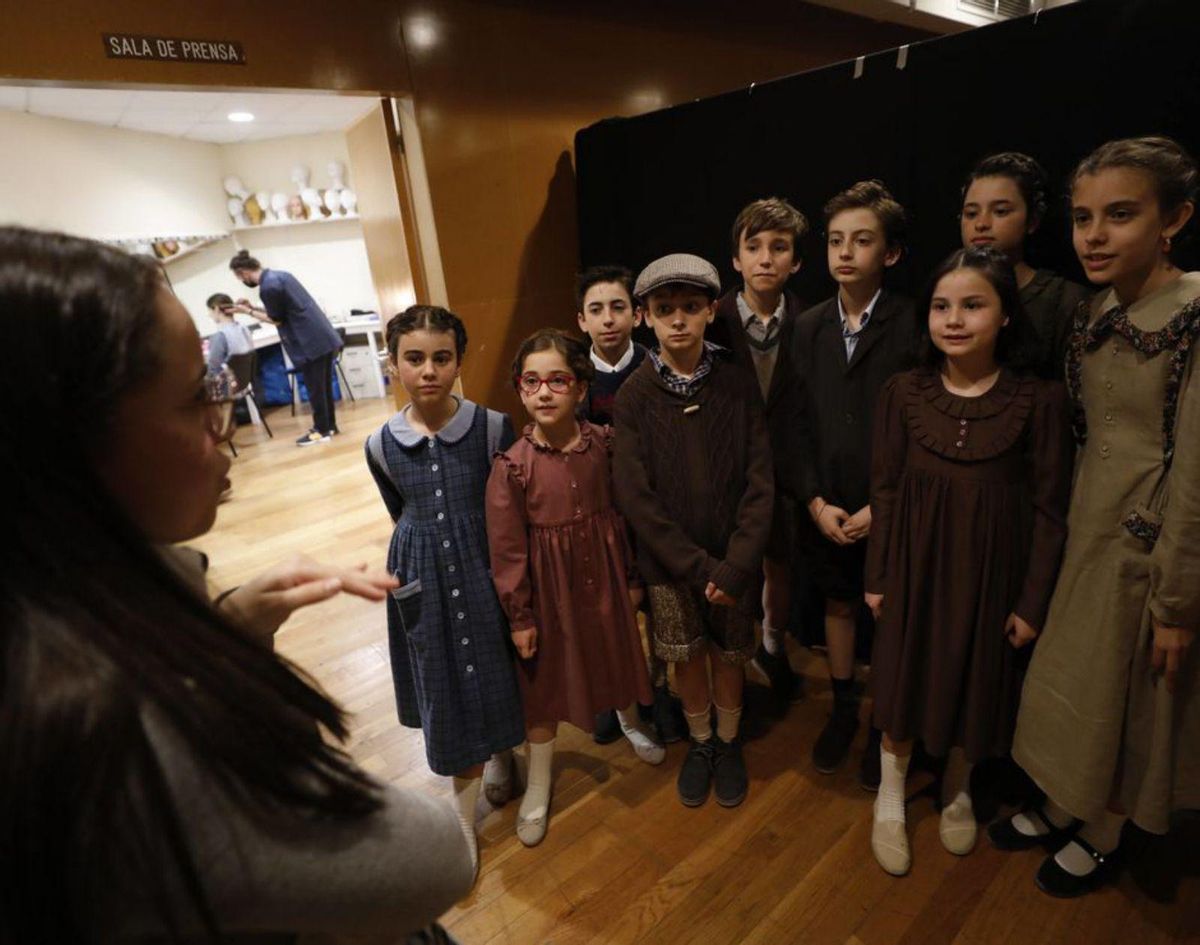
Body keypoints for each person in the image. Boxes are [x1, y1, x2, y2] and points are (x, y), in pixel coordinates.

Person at [0, 226, 474, 943]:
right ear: (70, 440)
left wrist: (229, 625)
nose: (222, 426)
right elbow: (440, 857)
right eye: (197, 397)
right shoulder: (124, 727)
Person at [1002, 136, 1200, 898]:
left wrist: (1177, 599)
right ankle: (1066, 796)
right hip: (1089, 526)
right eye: (1084, 217)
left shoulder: (1191, 315)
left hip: (1149, 544)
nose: (1094, 234)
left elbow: (1194, 469)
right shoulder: (1093, 314)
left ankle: (1107, 823)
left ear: (1173, 217)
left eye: (1120, 215)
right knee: (1077, 679)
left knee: (1130, 693)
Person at [863, 247, 1074, 876]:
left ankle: (959, 784)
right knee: (903, 677)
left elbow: (1050, 511)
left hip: (991, 578)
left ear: (1006, 315)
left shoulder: (1040, 401)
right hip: (913, 568)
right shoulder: (903, 391)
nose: (954, 319)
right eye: (941, 305)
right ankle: (892, 795)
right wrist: (876, 577)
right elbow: (886, 490)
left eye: (973, 305)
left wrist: (1031, 602)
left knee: (977, 681)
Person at [365, 304, 526, 875]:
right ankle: (464, 816)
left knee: (494, 661)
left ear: (459, 361)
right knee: (443, 678)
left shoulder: (491, 427)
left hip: (483, 564)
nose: (428, 370)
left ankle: (505, 752)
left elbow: (508, 506)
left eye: (441, 358)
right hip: (421, 575)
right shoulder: (380, 444)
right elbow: (398, 509)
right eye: (414, 359)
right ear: (394, 364)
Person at [487, 328, 664, 846]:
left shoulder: (604, 446)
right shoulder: (512, 469)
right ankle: (539, 786)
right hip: (549, 595)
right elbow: (507, 551)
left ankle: (630, 723)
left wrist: (631, 577)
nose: (544, 392)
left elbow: (628, 515)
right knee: (543, 689)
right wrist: (520, 616)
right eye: (532, 381)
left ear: (581, 387)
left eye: (557, 380)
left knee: (616, 653)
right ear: (519, 389)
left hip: (605, 578)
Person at [613, 254, 773, 809]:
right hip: (673, 565)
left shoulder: (736, 382)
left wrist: (737, 561)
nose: (677, 319)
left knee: (730, 656)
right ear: (645, 318)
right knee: (687, 658)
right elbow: (636, 497)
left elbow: (760, 478)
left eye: (689, 307)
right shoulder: (633, 395)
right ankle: (700, 742)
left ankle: (728, 743)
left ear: (710, 310)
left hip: (735, 560)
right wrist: (701, 567)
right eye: (664, 309)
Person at [790, 180, 918, 789]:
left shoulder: (914, 324)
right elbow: (794, 422)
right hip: (827, 501)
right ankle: (843, 707)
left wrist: (882, 507)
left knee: (890, 612)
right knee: (838, 602)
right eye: (836, 240)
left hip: (890, 503)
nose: (845, 252)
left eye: (862, 240)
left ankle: (882, 722)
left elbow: (924, 426)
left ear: (889, 253)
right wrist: (814, 500)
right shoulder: (809, 325)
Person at [575, 266, 686, 747]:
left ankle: (658, 693)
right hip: (597, 509)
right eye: (596, 310)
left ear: (637, 314)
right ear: (581, 321)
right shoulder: (573, 376)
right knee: (604, 608)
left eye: (618, 307)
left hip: (654, 506)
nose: (608, 320)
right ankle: (611, 693)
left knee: (660, 606)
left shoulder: (657, 366)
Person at [710, 197, 809, 704]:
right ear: (736, 259)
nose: (766, 258)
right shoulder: (713, 323)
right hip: (731, 470)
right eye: (754, 247)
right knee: (735, 561)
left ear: (795, 260)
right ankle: (738, 649)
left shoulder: (810, 323)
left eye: (779, 247)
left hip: (787, 468)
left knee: (781, 561)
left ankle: (773, 642)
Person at [961, 152, 1092, 379]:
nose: (981, 224)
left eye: (1000, 211)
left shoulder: (1065, 301)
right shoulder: (946, 295)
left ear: (1033, 220)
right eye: (971, 213)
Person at [228, 249, 343, 446]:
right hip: (321, 338)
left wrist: (247, 311)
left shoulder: (268, 287)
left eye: (240, 278)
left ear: (243, 273)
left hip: (308, 344)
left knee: (316, 390)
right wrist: (253, 308)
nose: (243, 282)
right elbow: (284, 311)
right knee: (322, 387)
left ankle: (321, 431)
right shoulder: (281, 276)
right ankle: (330, 426)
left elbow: (277, 319)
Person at [203, 292, 253, 377]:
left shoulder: (219, 336)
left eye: (209, 311)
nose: (209, 315)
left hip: (228, 386)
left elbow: (213, 370)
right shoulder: (244, 328)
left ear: (216, 309)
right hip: (245, 381)